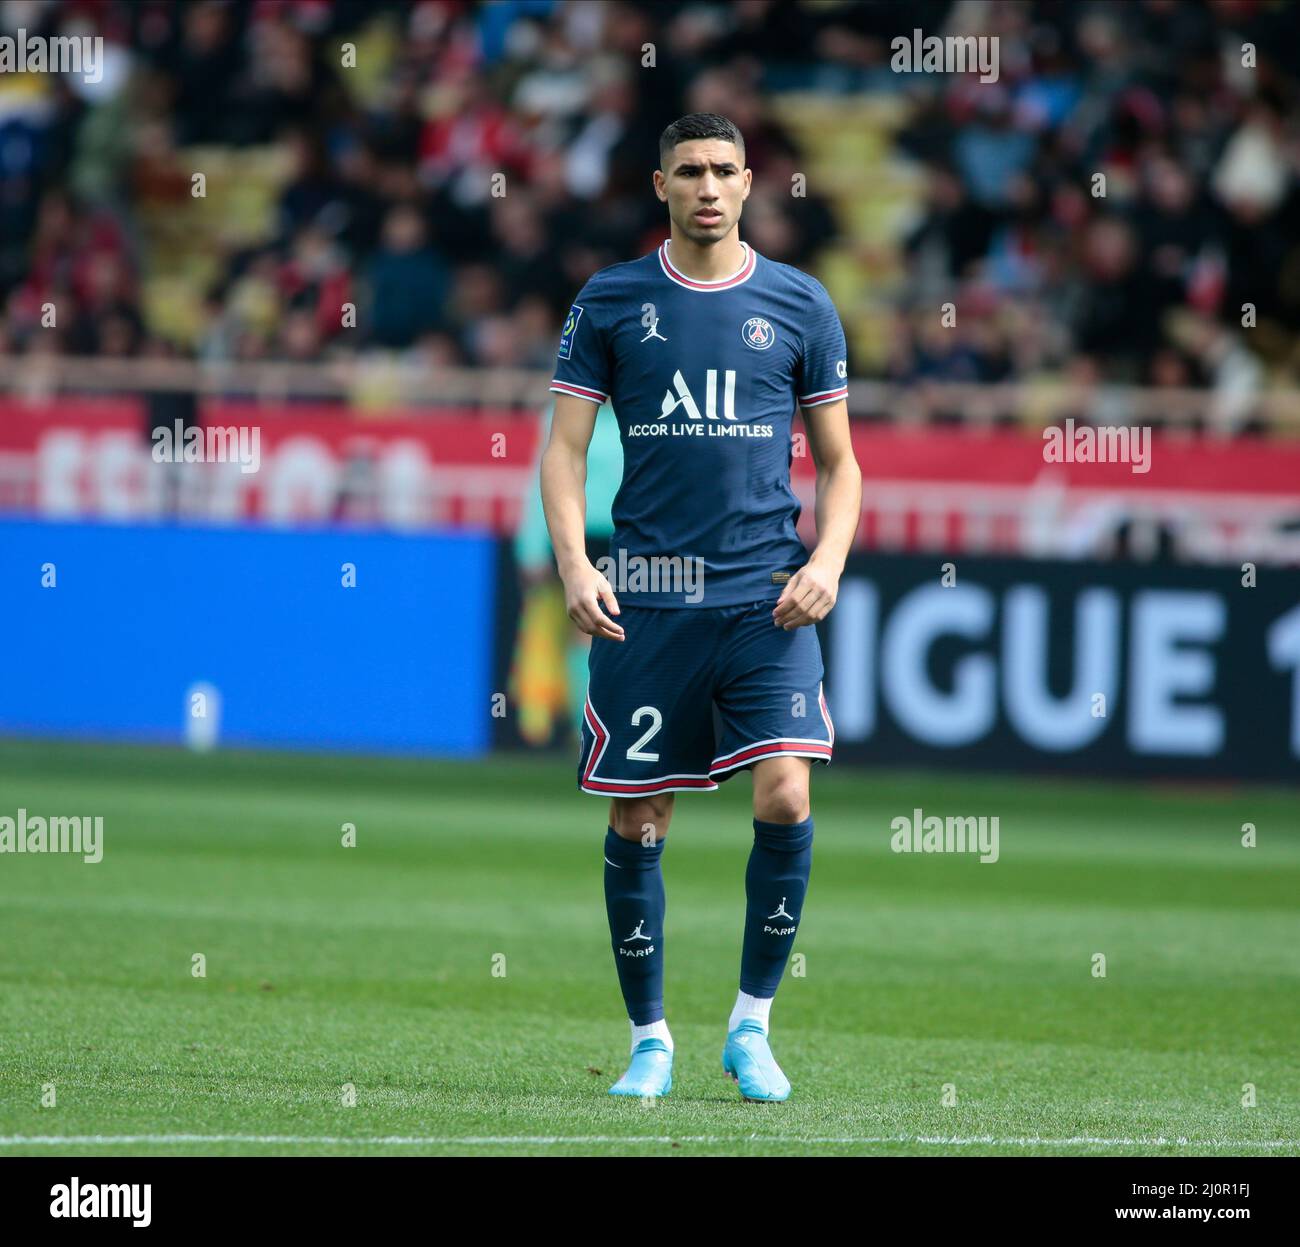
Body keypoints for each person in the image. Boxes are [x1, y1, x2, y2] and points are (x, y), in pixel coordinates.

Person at [540, 113, 861, 1102]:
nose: (709, 186)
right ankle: (649, 1039)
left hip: (766, 593)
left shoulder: (800, 303)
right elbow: (560, 450)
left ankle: (751, 1025)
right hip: (650, 592)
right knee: (642, 818)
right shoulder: (611, 299)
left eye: (725, 169)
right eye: (690, 171)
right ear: (661, 184)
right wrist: (572, 564)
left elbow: (844, 465)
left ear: (750, 179)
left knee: (788, 793)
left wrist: (831, 562)